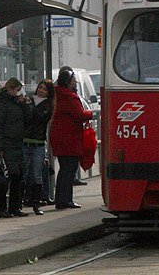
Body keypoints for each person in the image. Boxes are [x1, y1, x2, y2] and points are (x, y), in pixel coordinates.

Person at [49, 66, 92, 210]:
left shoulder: (58, 95)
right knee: (69, 170)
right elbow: (79, 115)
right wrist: (90, 113)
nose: (75, 83)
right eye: (74, 80)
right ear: (68, 82)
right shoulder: (70, 97)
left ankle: (61, 199)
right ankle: (65, 200)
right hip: (70, 139)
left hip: (61, 138)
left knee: (64, 169)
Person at [0, 78, 29, 218]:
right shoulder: (2, 103)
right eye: (16, 90)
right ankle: (3, 208)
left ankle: (15, 207)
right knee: (7, 177)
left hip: (17, 143)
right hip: (8, 144)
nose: (18, 93)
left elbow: (28, 118)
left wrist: (24, 104)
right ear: (10, 88)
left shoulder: (17, 103)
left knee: (18, 176)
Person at [23, 79, 54, 214]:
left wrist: (31, 106)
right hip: (25, 141)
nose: (41, 90)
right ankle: (22, 201)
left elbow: (41, 118)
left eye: (44, 89)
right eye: (40, 88)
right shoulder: (29, 101)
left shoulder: (48, 106)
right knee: (22, 174)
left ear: (48, 93)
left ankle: (36, 204)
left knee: (37, 174)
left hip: (38, 144)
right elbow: (26, 118)